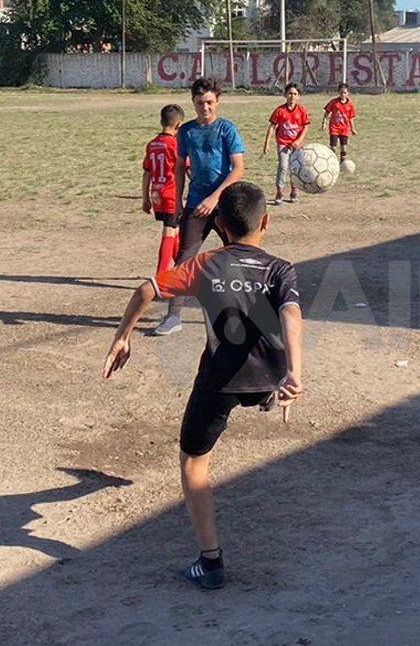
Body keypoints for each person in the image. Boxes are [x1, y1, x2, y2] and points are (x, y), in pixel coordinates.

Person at [103, 182, 304, 590]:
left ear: (219, 224)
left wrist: (122, 337)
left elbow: (147, 289)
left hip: (222, 381)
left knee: (195, 462)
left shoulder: (206, 264)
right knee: (261, 370)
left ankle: (211, 564)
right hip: (270, 374)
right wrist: (293, 372)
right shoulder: (281, 269)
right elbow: (291, 314)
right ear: (265, 221)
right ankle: (267, 394)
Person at [154, 77, 247, 336]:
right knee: (184, 260)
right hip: (196, 205)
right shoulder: (185, 132)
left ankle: (249, 313)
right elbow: (180, 167)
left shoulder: (227, 129)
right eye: (199, 103)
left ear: (217, 102)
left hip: (226, 204)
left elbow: (238, 168)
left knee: (240, 256)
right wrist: (180, 201)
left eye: (209, 102)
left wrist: (215, 198)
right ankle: (173, 316)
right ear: (192, 103)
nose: (204, 108)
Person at [142, 104, 184, 276]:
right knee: (169, 230)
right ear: (178, 125)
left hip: (156, 193)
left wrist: (145, 197)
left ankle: (181, 268)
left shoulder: (152, 144)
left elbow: (146, 172)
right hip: (171, 194)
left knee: (174, 230)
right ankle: (161, 276)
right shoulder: (174, 145)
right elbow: (185, 167)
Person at [264, 82, 311, 206]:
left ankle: (294, 190)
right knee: (283, 167)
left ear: (298, 96)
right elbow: (272, 126)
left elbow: (306, 126)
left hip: (297, 145)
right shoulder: (280, 110)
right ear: (285, 95)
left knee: (295, 168)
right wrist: (267, 143)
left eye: (295, 94)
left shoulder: (301, 110)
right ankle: (279, 192)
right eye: (290, 93)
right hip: (283, 144)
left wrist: (299, 140)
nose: (292, 96)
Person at [322, 82, 357, 161]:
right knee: (333, 147)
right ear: (338, 92)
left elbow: (351, 118)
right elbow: (327, 112)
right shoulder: (334, 102)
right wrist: (324, 123)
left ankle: (342, 162)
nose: (343, 94)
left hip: (344, 128)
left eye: (345, 93)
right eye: (341, 93)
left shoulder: (350, 105)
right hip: (334, 128)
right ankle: (332, 161)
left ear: (348, 93)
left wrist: (352, 129)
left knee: (343, 146)